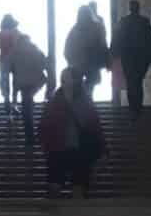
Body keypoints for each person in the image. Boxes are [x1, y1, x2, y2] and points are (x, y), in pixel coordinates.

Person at [39, 66, 107, 197]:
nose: (63, 80)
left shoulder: (84, 101)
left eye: (66, 78)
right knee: (55, 185)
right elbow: (44, 125)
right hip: (57, 148)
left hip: (81, 148)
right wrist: (46, 145)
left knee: (79, 185)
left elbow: (95, 127)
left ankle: (77, 213)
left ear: (75, 80)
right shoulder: (55, 101)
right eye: (62, 78)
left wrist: (103, 150)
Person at [111, 0, 151, 118]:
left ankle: (133, 108)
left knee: (131, 83)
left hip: (128, 58)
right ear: (138, 8)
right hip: (142, 58)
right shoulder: (145, 22)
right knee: (137, 82)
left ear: (130, 8)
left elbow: (117, 40)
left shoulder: (123, 22)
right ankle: (137, 108)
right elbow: (149, 42)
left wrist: (113, 55)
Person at [9, 30, 49, 146]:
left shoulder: (15, 53)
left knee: (26, 107)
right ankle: (32, 135)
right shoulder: (35, 50)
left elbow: (12, 71)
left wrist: (13, 99)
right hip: (36, 82)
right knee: (28, 102)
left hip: (23, 83)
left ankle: (30, 137)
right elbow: (45, 64)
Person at [64, 3, 109, 95]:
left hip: (78, 63)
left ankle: (83, 103)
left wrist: (70, 61)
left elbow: (68, 49)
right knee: (90, 86)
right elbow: (102, 44)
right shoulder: (97, 27)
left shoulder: (74, 30)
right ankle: (87, 102)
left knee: (79, 86)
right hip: (92, 62)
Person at [0, 13, 20, 114]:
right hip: (16, 61)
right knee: (16, 83)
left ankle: (7, 100)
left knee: (4, 82)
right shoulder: (17, 34)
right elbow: (23, 48)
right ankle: (14, 103)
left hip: (4, 62)